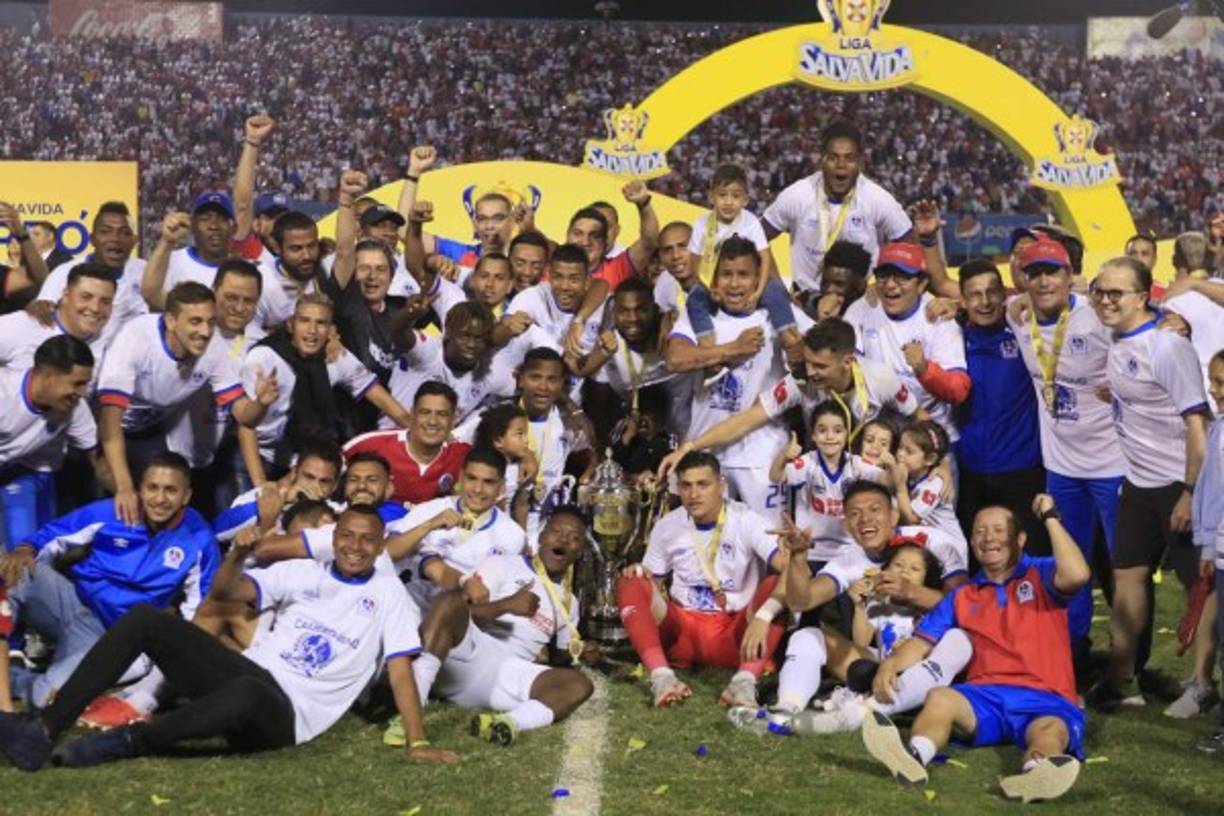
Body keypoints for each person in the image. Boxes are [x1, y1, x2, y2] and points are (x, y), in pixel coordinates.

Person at [0, 505, 457, 769]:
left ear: (380, 545)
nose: (354, 547)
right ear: (333, 537)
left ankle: (132, 741)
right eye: (347, 536)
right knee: (145, 620)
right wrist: (237, 555)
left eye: (366, 540)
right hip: (254, 673)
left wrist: (417, 741)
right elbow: (224, 596)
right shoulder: (303, 571)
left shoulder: (388, 595)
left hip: (289, 714)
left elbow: (401, 671)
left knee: (246, 692)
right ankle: (45, 729)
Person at [859, 499, 1091, 804]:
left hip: (1045, 696)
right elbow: (921, 643)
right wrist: (890, 664)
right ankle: (914, 757)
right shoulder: (963, 595)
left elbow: (1078, 574)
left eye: (999, 530)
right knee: (940, 698)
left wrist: (1050, 517)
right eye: (980, 531)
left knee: (1050, 730)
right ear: (972, 542)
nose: (988, 538)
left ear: (1020, 539)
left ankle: (1035, 773)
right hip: (984, 697)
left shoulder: (1042, 572)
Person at [1087, 257, 1212, 710]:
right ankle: (1122, 678)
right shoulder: (1117, 336)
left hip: (1180, 484)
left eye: (1116, 293)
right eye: (1100, 291)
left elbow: (1197, 423)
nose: (1105, 300)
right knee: (1127, 579)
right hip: (1138, 485)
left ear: (1143, 297)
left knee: (1204, 590)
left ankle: (1201, 685)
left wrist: (1191, 493)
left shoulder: (1167, 347)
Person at [0, 452, 219, 709]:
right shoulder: (115, 511)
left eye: (170, 490)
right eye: (152, 488)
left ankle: (15, 681)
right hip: (73, 605)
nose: (159, 499)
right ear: (140, 489)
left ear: (186, 496)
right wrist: (25, 548)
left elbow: (200, 613)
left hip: (117, 641)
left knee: (50, 698)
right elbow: (53, 535)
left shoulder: (199, 540)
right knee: (12, 567)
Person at [770, 481, 968, 728]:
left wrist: (911, 592)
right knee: (807, 636)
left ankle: (866, 709)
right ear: (846, 525)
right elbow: (801, 601)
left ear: (893, 516)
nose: (865, 519)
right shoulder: (849, 562)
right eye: (855, 513)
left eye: (874, 509)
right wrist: (799, 557)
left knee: (958, 640)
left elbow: (965, 606)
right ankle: (787, 708)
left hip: (929, 656)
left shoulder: (935, 542)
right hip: (885, 655)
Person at [1006, 237, 1123, 650]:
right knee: (1071, 566)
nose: (1043, 282)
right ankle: (1076, 653)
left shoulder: (1098, 317)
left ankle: (1130, 663)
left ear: (1070, 275)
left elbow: (1148, 321)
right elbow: (963, 299)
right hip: (1062, 470)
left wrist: (1171, 319)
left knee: (1125, 569)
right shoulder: (1017, 315)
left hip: (1113, 465)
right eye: (1034, 273)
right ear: (1022, 279)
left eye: (1052, 272)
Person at [405, 507, 594, 747]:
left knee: (579, 684)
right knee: (449, 600)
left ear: (580, 551)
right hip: (468, 653)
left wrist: (582, 652)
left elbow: (560, 659)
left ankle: (507, 723)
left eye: (574, 538)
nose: (564, 540)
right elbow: (454, 612)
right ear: (541, 537)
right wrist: (506, 605)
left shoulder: (570, 603)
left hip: (507, 674)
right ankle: (411, 709)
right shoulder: (503, 564)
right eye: (557, 531)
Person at [96, 283, 279, 526]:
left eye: (211, 322)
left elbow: (245, 416)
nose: (205, 331)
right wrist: (124, 486)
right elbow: (110, 426)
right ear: (171, 321)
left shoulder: (214, 349)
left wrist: (261, 403)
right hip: (103, 434)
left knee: (160, 508)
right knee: (113, 504)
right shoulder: (134, 340)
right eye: (195, 322)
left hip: (150, 433)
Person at [616, 451, 787, 709]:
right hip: (682, 636)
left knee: (778, 585)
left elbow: (790, 570)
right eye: (686, 486)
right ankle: (662, 678)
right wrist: (640, 577)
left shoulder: (746, 520)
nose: (693, 494)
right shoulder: (668, 525)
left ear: (722, 486)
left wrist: (765, 615)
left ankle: (743, 682)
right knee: (632, 579)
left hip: (735, 636)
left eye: (703, 484)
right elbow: (654, 587)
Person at [659, 318, 918, 478]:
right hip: (819, 475)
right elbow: (746, 420)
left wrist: (934, 464)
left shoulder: (881, 378)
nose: (811, 372)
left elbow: (918, 417)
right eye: (808, 362)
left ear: (848, 361)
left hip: (869, 475)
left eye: (820, 366)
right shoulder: (799, 381)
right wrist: (690, 446)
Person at [664, 238, 791, 523]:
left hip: (761, 452)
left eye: (743, 275)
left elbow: (812, 347)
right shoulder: (698, 317)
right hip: (704, 447)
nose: (734, 284)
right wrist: (733, 349)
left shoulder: (776, 315)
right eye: (726, 274)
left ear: (758, 279)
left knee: (770, 537)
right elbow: (675, 359)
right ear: (715, 279)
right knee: (700, 538)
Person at [238, 294, 410, 483]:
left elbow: (384, 401)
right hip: (255, 455)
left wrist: (421, 435)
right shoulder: (263, 358)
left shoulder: (336, 356)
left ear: (330, 330)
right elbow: (245, 427)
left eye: (321, 323)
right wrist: (261, 486)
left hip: (301, 460)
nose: (312, 330)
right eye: (304, 321)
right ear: (291, 325)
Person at [953, 259, 1047, 552]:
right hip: (970, 471)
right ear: (962, 300)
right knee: (977, 558)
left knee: (1032, 556)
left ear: (1004, 294)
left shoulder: (1023, 330)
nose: (985, 302)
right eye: (975, 294)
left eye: (992, 292)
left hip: (1023, 470)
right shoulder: (952, 337)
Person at [761, 120, 912, 294]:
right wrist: (779, 289)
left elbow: (911, 246)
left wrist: (882, 285)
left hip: (859, 300)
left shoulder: (878, 199)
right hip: (806, 297)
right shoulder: (797, 195)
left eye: (849, 158)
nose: (841, 165)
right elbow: (755, 238)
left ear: (860, 162)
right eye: (833, 158)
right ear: (821, 160)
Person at [849, 242, 970, 442]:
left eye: (902, 277)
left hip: (931, 435)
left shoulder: (939, 317)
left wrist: (924, 369)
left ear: (921, 284)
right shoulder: (862, 308)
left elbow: (958, 391)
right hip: (880, 434)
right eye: (883, 275)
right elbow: (848, 370)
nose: (890, 285)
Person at [0, 336, 98, 549]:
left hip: (25, 471)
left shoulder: (75, 408)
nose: (82, 393)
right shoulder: (4, 397)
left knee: (40, 549)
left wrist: (127, 492)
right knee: (20, 551)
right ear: (48, 377)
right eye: (77, 384)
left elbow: (97, 459)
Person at [342, 382, 470, 506]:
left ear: (453, 420)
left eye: (442, 414)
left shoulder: (463, 455)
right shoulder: (372, 444)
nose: (432, 421)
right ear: (412, 415)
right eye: (425, 412)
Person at [0, 262, 116, 374]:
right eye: (86, 297)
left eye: (105, 301)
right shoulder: (26, 325)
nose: (95, 308)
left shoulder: (112, 341)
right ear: (65, 294)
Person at [1194, 351, 1224, 750]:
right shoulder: (1219, 429)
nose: (1215, 391)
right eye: (1214, 381)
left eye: (1221, 383)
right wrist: (1207, 547)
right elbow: (1210, 491)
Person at [879, 419, 967, 552]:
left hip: (948, 547)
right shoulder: (909, 473)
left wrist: (900, 487)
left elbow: (911, 519)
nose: (900, 454)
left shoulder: (935, 482)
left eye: (909, 451)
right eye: (900, 447)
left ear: (929, 459)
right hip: (926, 542)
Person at [141, 192, 237, 310]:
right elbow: (151, 295)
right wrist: (167, 241)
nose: (213, 226)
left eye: (222, 219)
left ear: (234, 228)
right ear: (193, 226)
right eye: (205, 219)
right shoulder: (171, 260)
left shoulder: (245, 271)